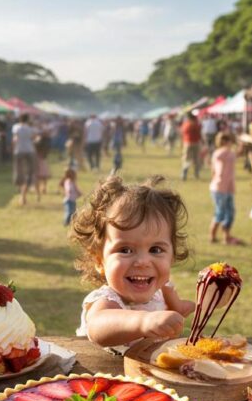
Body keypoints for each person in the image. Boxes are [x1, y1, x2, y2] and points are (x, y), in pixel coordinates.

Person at [70, 175, 196, 351]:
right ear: (99, 261)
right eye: (125, 250)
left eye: (155, 250)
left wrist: (205, 303)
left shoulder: (163, 290)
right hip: (100, 368)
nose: (143, 262)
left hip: (147, 368)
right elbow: (97, 327)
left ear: (171, 256)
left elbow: (179, 308)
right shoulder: (108, 300)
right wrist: (144, 321)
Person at [207, 132, 242, 244]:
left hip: (227, 188)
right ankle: (212, 236)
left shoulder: (228, 153)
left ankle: (226, 236)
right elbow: (219, 159)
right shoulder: (221, 153)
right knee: (220, 213)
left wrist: (240, 145)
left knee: (230, 213)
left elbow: (237, 154)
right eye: (229, 140)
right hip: (219, 188)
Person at [12, 114, 36, 205]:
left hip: (19, 151)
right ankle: (23, 195)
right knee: (28, 174)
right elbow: (33, 139)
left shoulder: (15, 127)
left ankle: (21, 193)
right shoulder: (30, 129)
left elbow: (15, 139)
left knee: (19, 173)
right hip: (29, 151)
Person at [181, 114, 203, 181]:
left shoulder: (186, 124)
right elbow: (199, 133)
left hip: (189, 143)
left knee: (188, 158)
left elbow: (182, 132)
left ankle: (186, 173)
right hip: (193, 142)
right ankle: (193, 173)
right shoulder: (194, 124)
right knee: (194, 159)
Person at [34, 130, 52, 202]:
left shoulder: (37, 143)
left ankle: (38, 193)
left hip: (36, 160)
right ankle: (44, 187)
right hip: (43, 160)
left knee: (36, 178)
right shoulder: (46, 144)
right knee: (44, 176)